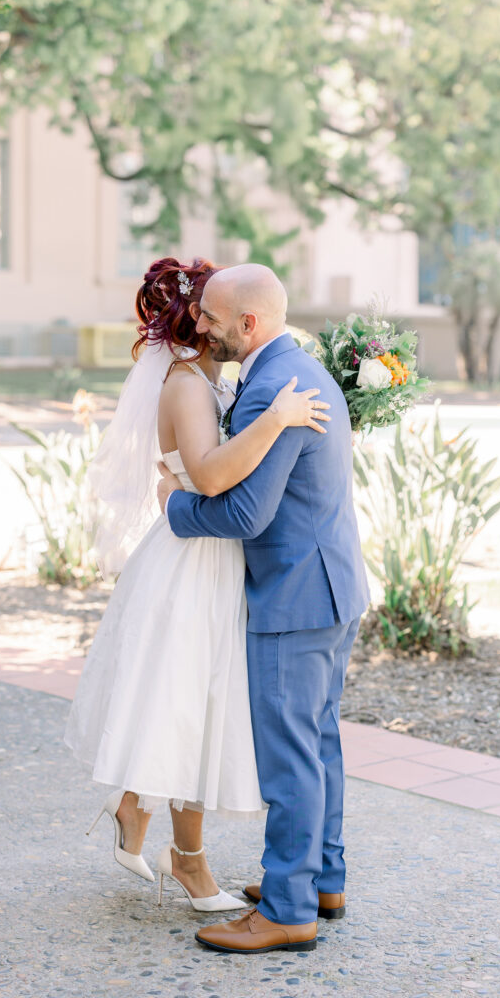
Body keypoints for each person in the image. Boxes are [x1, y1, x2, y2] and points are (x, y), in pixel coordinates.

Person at [64, 256, 330, 913]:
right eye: (205, 309)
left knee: (194, 705)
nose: (213, 320)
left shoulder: (213, 377)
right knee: (189, 705)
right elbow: (209, 477)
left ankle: (134, 808)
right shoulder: (185, 385)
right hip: (193, 561)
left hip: (212, 556)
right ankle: (185, 858)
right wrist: (277, 420)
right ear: (194, 321)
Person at [157, 263, 370, 953]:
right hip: (330, 586)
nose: (202, 325)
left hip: (293, 595)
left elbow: (245, 512)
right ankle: (320, 879)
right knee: (318, 742)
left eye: (213, 317)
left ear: (248, 324)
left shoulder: (270, 387)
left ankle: (286, 910)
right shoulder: (297, 367)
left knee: (289, 757)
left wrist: (174, 506)